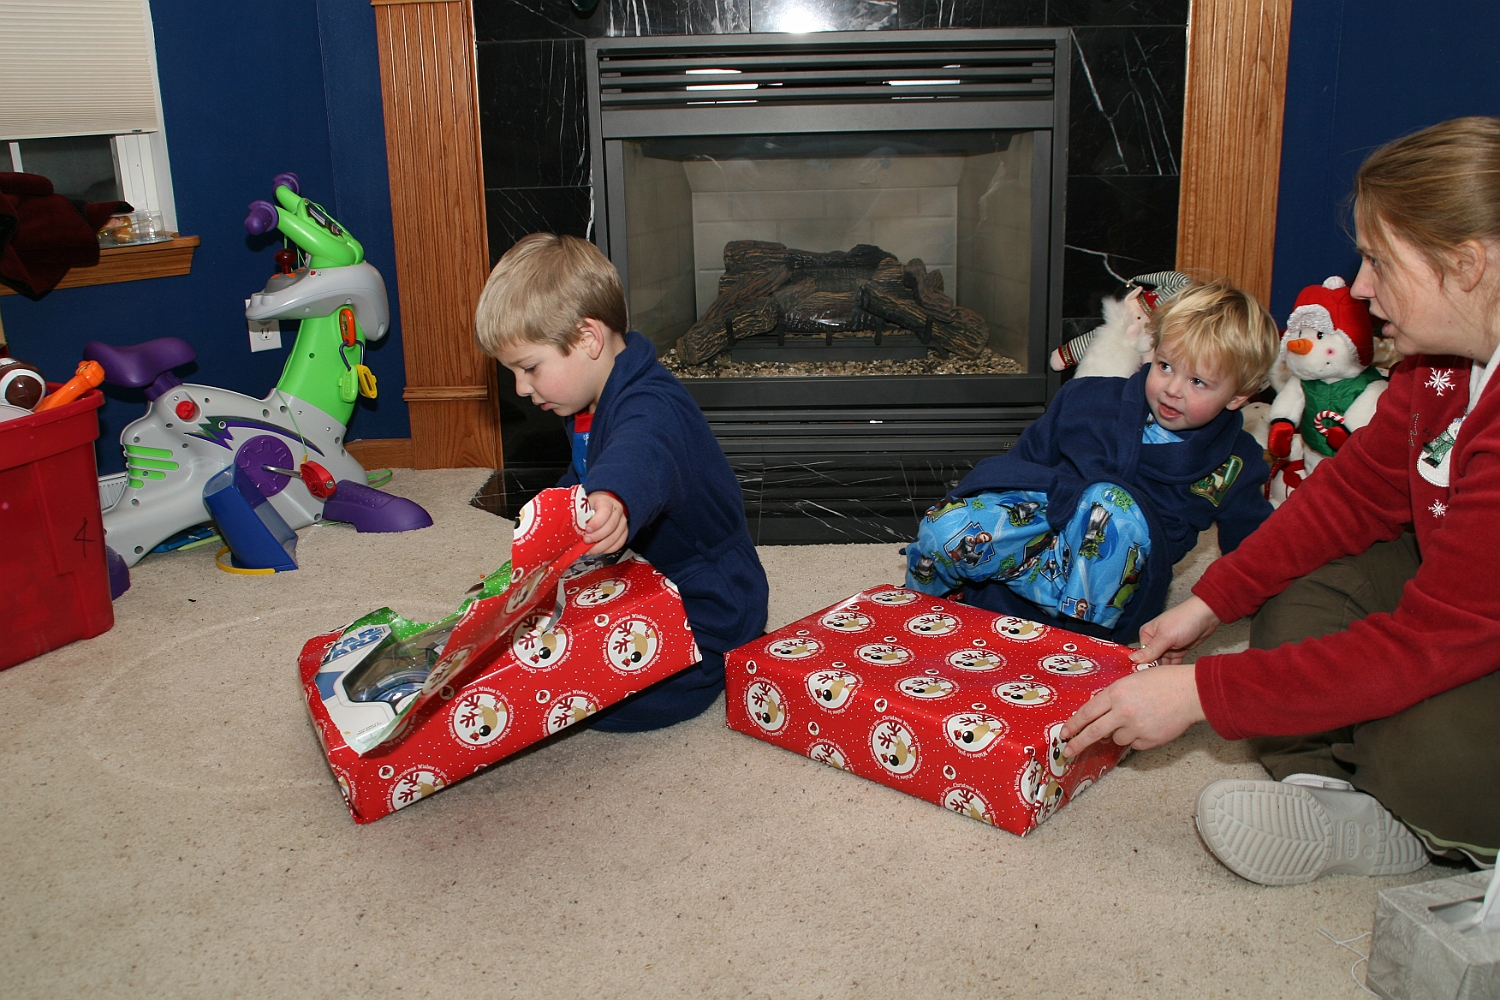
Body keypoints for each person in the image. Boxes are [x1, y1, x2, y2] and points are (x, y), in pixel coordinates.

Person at [1061, 116, 1500, 886]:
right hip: (1461, 606)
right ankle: (1334, 794)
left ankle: (1391, 804)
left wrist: (1200, 693)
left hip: (1461, 630)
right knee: (1298, 598)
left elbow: (1434, 643)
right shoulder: (1438, 364)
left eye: (1378, 261)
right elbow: (1351, 495)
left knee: (1431, 746)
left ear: (1465, 265)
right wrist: (1210, 604)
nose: (1359, 288)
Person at [474, 233, 769, 731]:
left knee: (608, 695)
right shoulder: (585, 401)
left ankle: (713, 665)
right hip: (646, 577)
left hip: (710, 599)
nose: (521, 388)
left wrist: (612, 496)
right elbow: (585, 470)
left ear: (588, 338)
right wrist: (557, 522)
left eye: (529, 368)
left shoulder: (651, 404)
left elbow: (640, 452)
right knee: (549, 635)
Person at [903, 279, 1279, 643]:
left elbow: (1255, 546)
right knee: (947, 524)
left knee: (1110, 501)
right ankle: (916, 609)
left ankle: (1080, 648)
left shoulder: (1235, 462)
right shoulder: (1089, 398)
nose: (1172, 388)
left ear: (1238, 396)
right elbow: (1020, 470)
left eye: (1198, 382)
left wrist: (1245, 600)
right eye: (1165, 365)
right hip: (1037, 542)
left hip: (1108, 592)